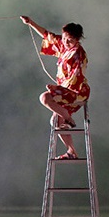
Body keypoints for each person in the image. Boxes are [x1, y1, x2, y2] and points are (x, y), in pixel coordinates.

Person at [20, 15, 89, 160]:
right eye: (64, 38)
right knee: (55, 122)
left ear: (77, 40)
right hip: (64, 91)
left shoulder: (79, 54)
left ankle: (68, 118)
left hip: (77, 91)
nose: (66, 42)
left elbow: (76, 79)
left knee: (45, 97)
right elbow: (47, 36)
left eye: (70, 40)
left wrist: (58, 91)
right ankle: (71, 151)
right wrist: (31, 22)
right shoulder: (64, 45)